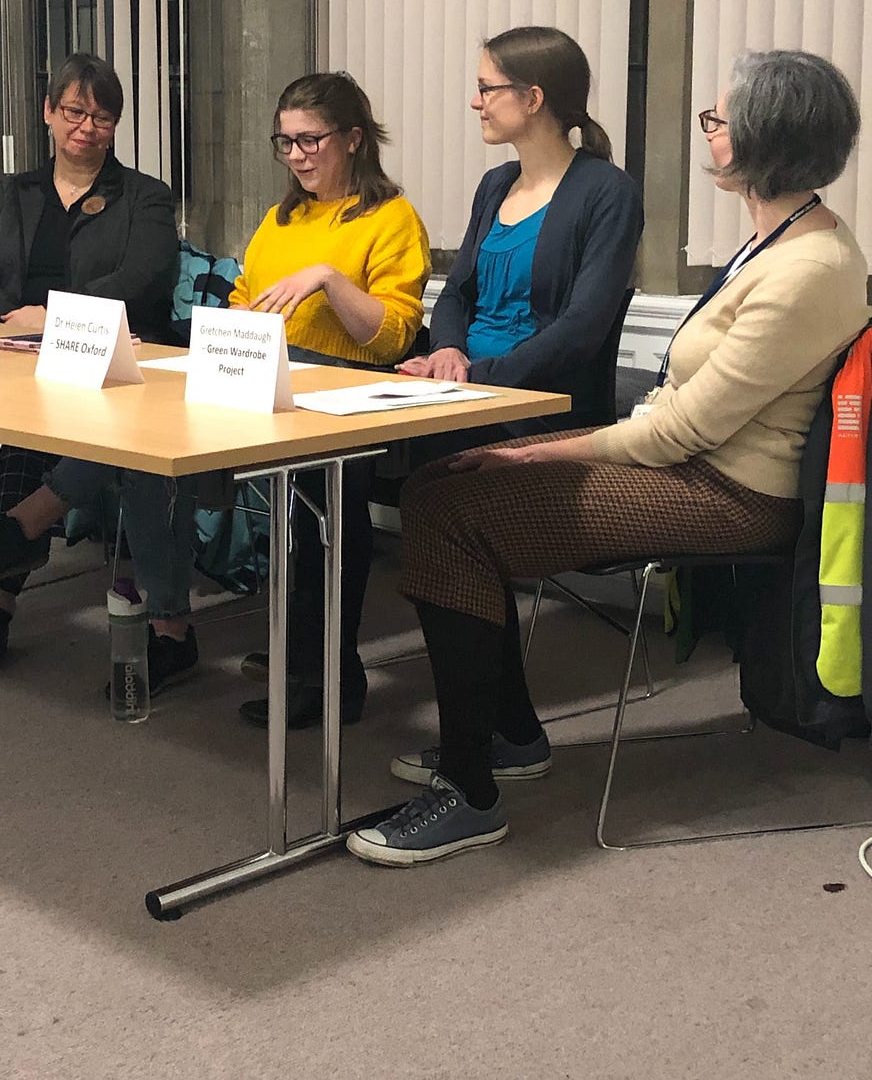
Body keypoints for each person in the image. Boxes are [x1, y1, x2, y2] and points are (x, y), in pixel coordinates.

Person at [345, 48, 869, 868]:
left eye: (719, 119)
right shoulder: (775, 241)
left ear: (765, 136)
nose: (709, 131)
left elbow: (680, 432)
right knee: (439, 486)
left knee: (449, 509)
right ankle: (509, 737)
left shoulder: (812, 265)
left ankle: (470, 790)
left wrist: (538, 454)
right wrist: (536, 453)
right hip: (693, 467)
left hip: (730, 492)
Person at [0, 73, 430, 715]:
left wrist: (329, 278)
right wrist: (224, 341)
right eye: (286, 142)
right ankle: (164, 625)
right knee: (141, 437)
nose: (298, 155)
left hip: (339, 388)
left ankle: (32, 521)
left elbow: (390, 337)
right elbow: (248, 301)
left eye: (311, 140)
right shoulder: (284, 218)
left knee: (159, 447)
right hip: (261, 376)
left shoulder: (390, 218)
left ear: (354, 139)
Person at [0, 52, 179, 679]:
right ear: (49, 114)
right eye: (75, 111)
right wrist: (17, 320)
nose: (87, 126)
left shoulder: (145, 197)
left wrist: (51, 318)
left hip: (95, 355)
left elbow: (142, 277)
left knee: (31, 436)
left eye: (103, 116)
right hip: (9, 348)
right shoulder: (16, 192)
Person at [399, 26, 642, 462]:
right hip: (468, 391)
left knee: (410, 457)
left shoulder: (608, 192)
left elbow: (581, 329)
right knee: (371, 446)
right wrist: (447, 351)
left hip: (538, 408)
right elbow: (457, 292)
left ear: (532, 99)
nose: (477, 103)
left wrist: (478, 376)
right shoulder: (496, 184)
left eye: (486, 90)